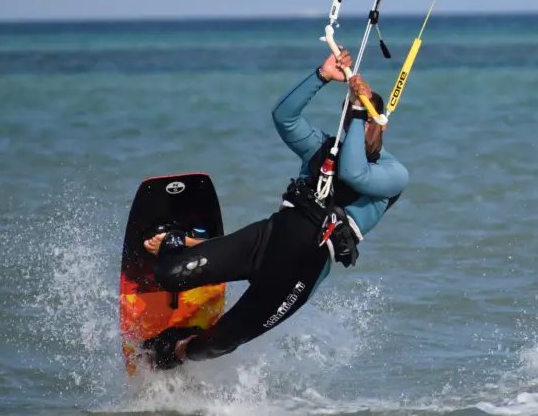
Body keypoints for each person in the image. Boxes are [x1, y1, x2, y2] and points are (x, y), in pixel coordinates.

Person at [140, 46, 409, 370]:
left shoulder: (393, 174)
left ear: (382, 123)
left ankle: (180, 347)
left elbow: (354, 172)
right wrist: (322, 76)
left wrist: (357, 110)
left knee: (216, 345)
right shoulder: (320, 148)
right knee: (167, 274)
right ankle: (189, 243)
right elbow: (284, 117)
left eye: (366, 120)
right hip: (265, 241)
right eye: (353, 119)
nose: (359, 126)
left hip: (297, 278)